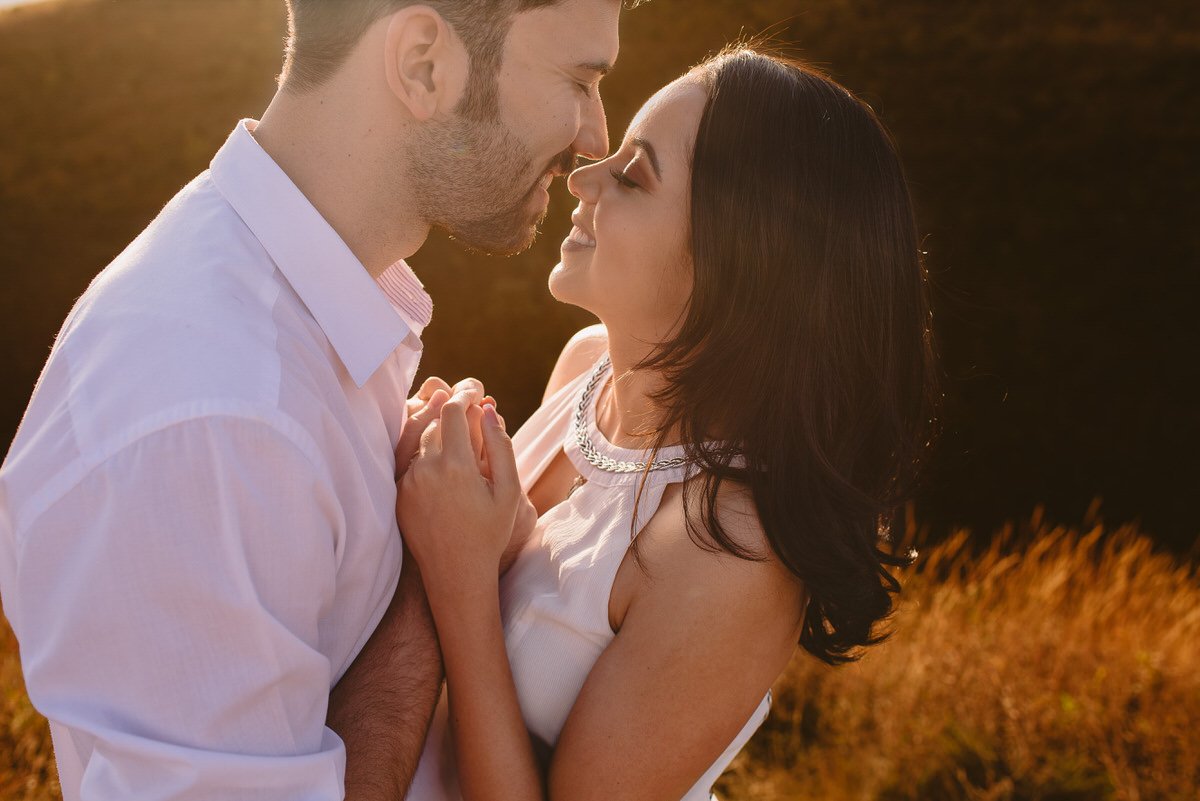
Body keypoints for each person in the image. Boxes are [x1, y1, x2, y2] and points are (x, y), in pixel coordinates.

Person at [0, 1, 626, 799]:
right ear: (424, 64)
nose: (596, 136)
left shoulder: (293, 324)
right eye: (578, 80)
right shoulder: (219, 416)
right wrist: (437, 576)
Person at [396, 47, 939, 801]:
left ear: (735, 260)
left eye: (633, 176)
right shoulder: (585, 367)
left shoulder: (732, 549)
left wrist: (457, 580)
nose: (582, 179)